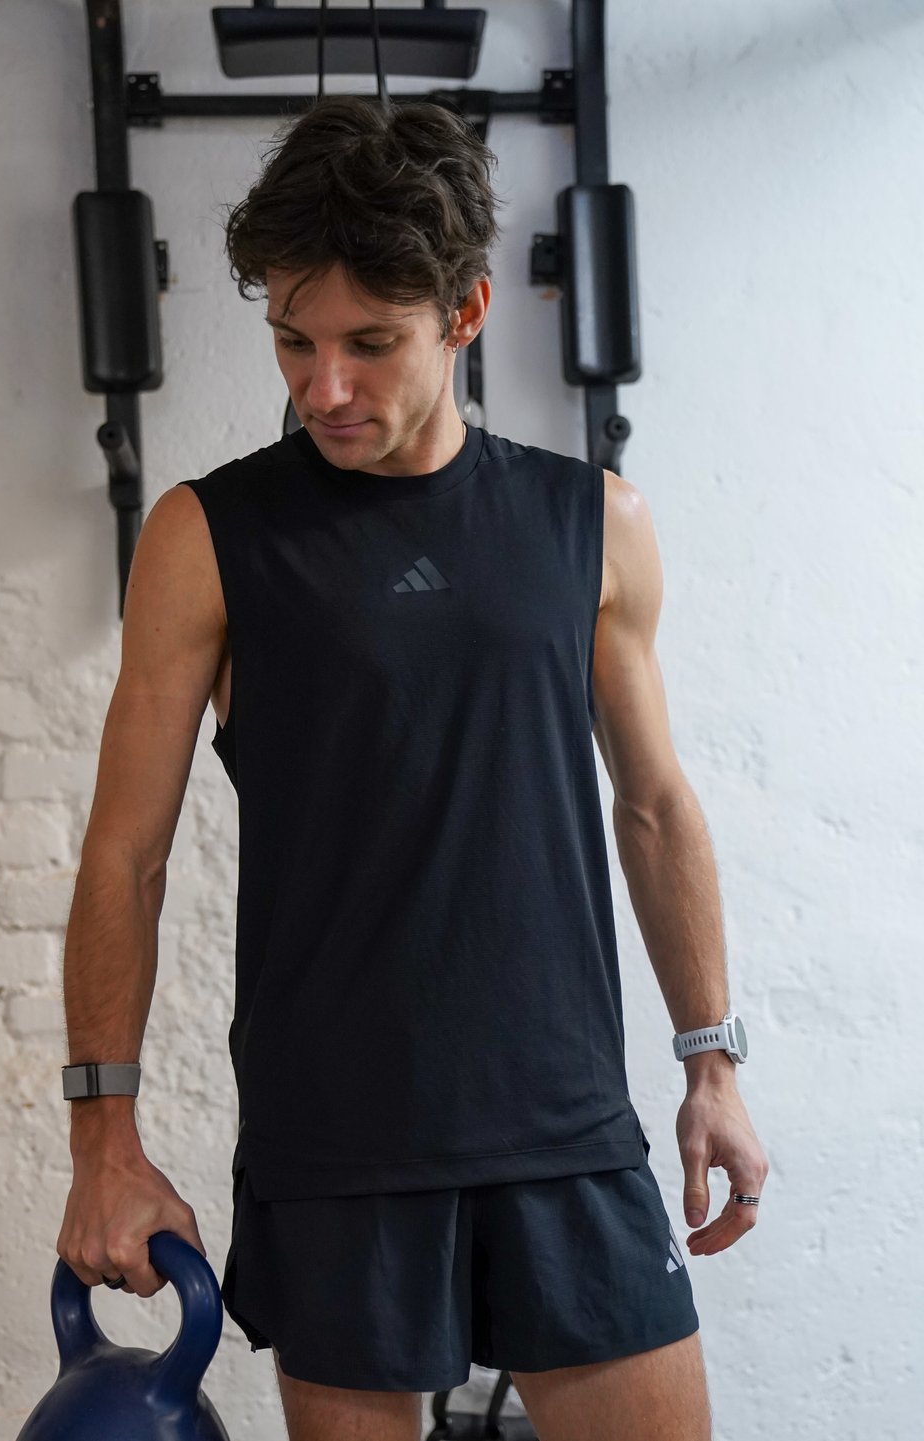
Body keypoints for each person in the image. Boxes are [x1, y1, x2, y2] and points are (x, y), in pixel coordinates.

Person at [56, 95, 768, 1441]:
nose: (324, 386)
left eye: (370, 343)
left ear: (466, 311)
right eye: (294, 339)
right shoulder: (208, 537)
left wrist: (710, 1061)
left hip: (565, 1127)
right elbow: (126, 853)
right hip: (337, 1149)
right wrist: (105, 1139)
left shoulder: (592, 523)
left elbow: (656, 804)